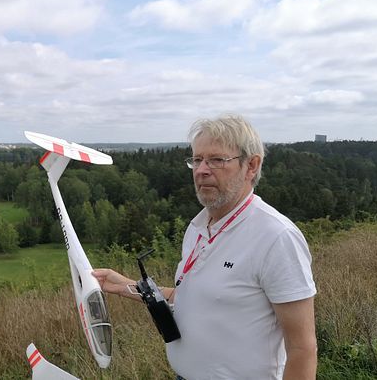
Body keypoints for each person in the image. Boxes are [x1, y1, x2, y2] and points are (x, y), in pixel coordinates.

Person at [92, 114, 317, 379]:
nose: (201, 170)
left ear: (252, 165)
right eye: (197, 160)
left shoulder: (276, 237)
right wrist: (126, 286)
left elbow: (302, 347)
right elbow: (193, 297)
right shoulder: (198, 227)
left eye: (217, 160)